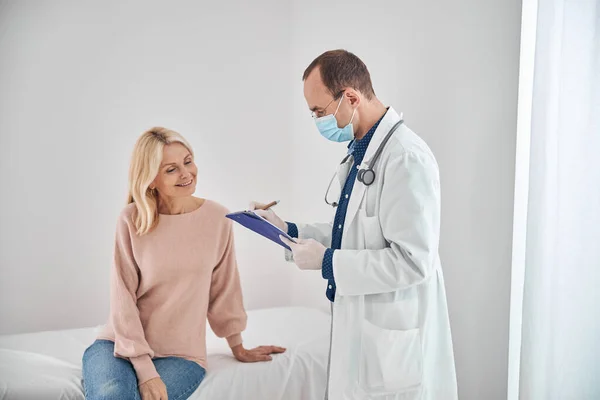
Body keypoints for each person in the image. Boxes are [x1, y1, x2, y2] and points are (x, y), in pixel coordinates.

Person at [251, 50, 457, 399]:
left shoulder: (406, 158)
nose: (316, 120)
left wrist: (327, 262)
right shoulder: (362, 151)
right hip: (362, 328)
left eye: (319, 111)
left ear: (350, 97)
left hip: (393, 341)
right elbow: (352, 234)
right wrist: (287, 229)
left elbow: (412, 261)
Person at [82, 127, 285, 400]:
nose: (186, 173)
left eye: (188, 161)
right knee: (112, 395)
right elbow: (123, 299)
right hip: (118, 346)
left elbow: (223, 288)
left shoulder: (217, 218)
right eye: (171, 169)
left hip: (181, 355)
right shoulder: (131, 219)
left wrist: (238, 346)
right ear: (151, 179)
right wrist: (145, 370)